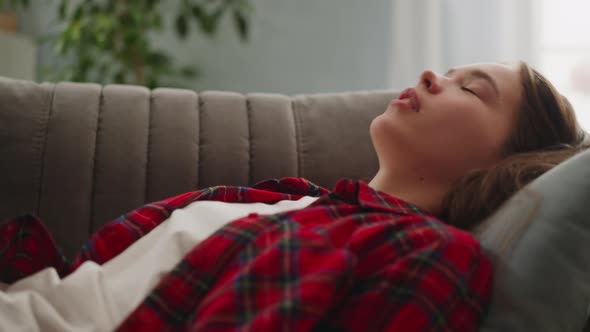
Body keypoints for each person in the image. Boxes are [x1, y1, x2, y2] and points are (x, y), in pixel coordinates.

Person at [0, 61, 587, 332]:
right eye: (451, 70)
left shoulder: (430, 257)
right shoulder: (288, 200)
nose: (434, 75)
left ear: (510, 162)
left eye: (471, 89)